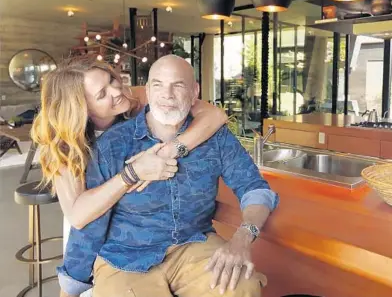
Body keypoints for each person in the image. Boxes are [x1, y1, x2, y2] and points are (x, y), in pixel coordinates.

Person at [59, 55, 278, 297]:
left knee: (241, 286)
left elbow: (255, 188)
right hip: (125, 255)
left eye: (178, 85)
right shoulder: (110, 144)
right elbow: (88, 221)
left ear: (195, 92)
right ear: (149, 92)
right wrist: (72, 282)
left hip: (193, 244)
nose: (167, 94)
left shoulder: (216, 137)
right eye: (158, 85)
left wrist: (242, 239)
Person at [31, 59, 227, 230]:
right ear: (82, 108)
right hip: (96, 232)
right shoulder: (66, 144)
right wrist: (132, 174)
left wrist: (169, 151)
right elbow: (78, 216)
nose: (117, 91)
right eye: (102, 94)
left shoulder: (137, 97)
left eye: (111, 80)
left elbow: (215, 115)